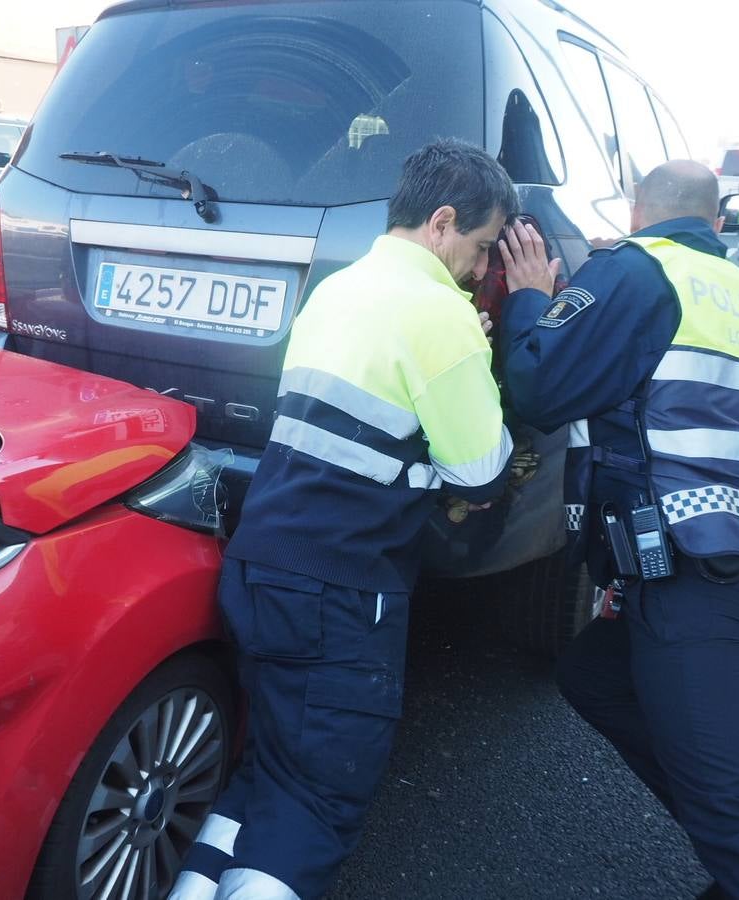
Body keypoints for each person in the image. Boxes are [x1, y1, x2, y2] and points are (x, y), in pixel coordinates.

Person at [168, 139, 518, 900]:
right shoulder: (441, 315)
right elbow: (480, 471)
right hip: (339, 593)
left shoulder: (339, 287)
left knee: (266, 769)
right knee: (317, 800)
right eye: (482, 247)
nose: (482, 270)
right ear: (443, 222)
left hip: (260, 564)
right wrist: (477, 361)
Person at [497, 160, 739, 900]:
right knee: (593, 676)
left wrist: (527, 301)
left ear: (639, 209)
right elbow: (662, 420)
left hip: (691, 578)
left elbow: (539, 387)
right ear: (715, 219)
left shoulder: (637, 270)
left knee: (733, 808)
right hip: (734, 555)